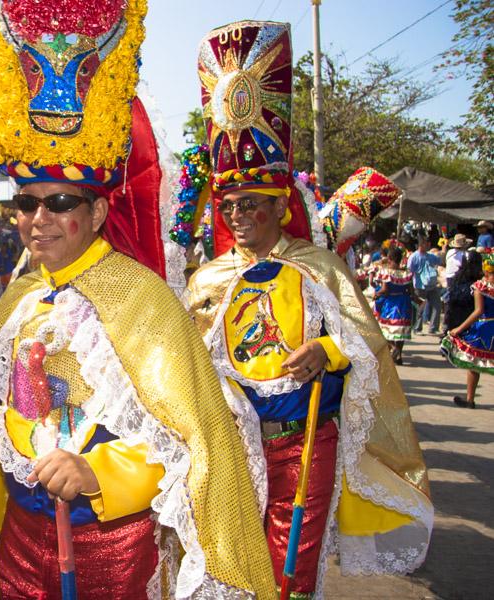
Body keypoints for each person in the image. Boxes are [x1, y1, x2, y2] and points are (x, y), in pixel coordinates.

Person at [0, 3, 276, 597]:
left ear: (98, 210)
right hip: (21, 538)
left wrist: (101, 472)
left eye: (59, 204)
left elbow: (199, 441)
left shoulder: (143, 298)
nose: (38, 220)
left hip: (111, 550)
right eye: (27, 203)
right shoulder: (20, 294)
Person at [185, 20, 432, 598]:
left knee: (292, 563)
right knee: (237, 560)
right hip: (231, 443)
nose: (239, 215)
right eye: (229, 205)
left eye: (252, 203)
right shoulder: (208, 278)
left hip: (305, 439)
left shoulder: (319, 267)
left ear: (279, 205)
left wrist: (327, 350)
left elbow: (365, 341)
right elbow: (185, 364)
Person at [441, 254, 494, 408]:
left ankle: (470, 400)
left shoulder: (480, 287)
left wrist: (458, 328)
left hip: (484, 328)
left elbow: (478, 312)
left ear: (485, 270)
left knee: (473, 365)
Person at [371, 247, 415, 364]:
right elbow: (411, 292)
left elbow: (385, 289)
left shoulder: (386, 272)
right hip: (404, 303)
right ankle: (399, 355)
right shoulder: (407, 273)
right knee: (400, 331)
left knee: (386, 330)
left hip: (391, 303)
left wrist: (377, 294)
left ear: (389, 259)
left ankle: (393, 348)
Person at [408, 235, 442, 334]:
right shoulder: (414, 257)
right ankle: (417, 328)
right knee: (420, 307)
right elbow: (410, 271)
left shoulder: (431, 256)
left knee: (437, 305)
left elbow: (440, 261)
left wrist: (443, 250)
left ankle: (433, 328)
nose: (429, 245)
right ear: (421, 244)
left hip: (432, 285)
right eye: (427, 243)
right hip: (419, 285)